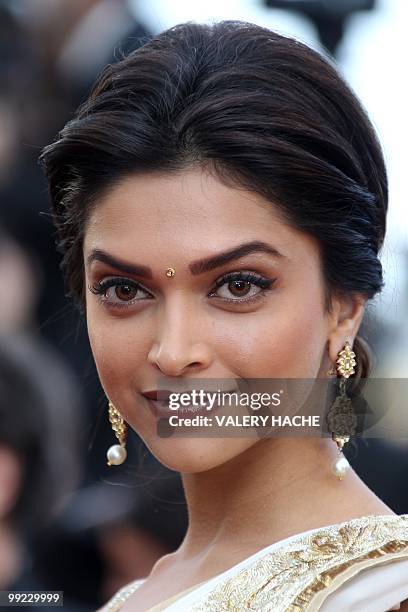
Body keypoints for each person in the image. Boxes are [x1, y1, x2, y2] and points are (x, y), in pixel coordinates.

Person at [39, 20, 408, 611]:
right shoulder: (132, 596)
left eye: (237, 285)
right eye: (123, 289)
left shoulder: (385, 592)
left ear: (343, 305)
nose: (172, 349)